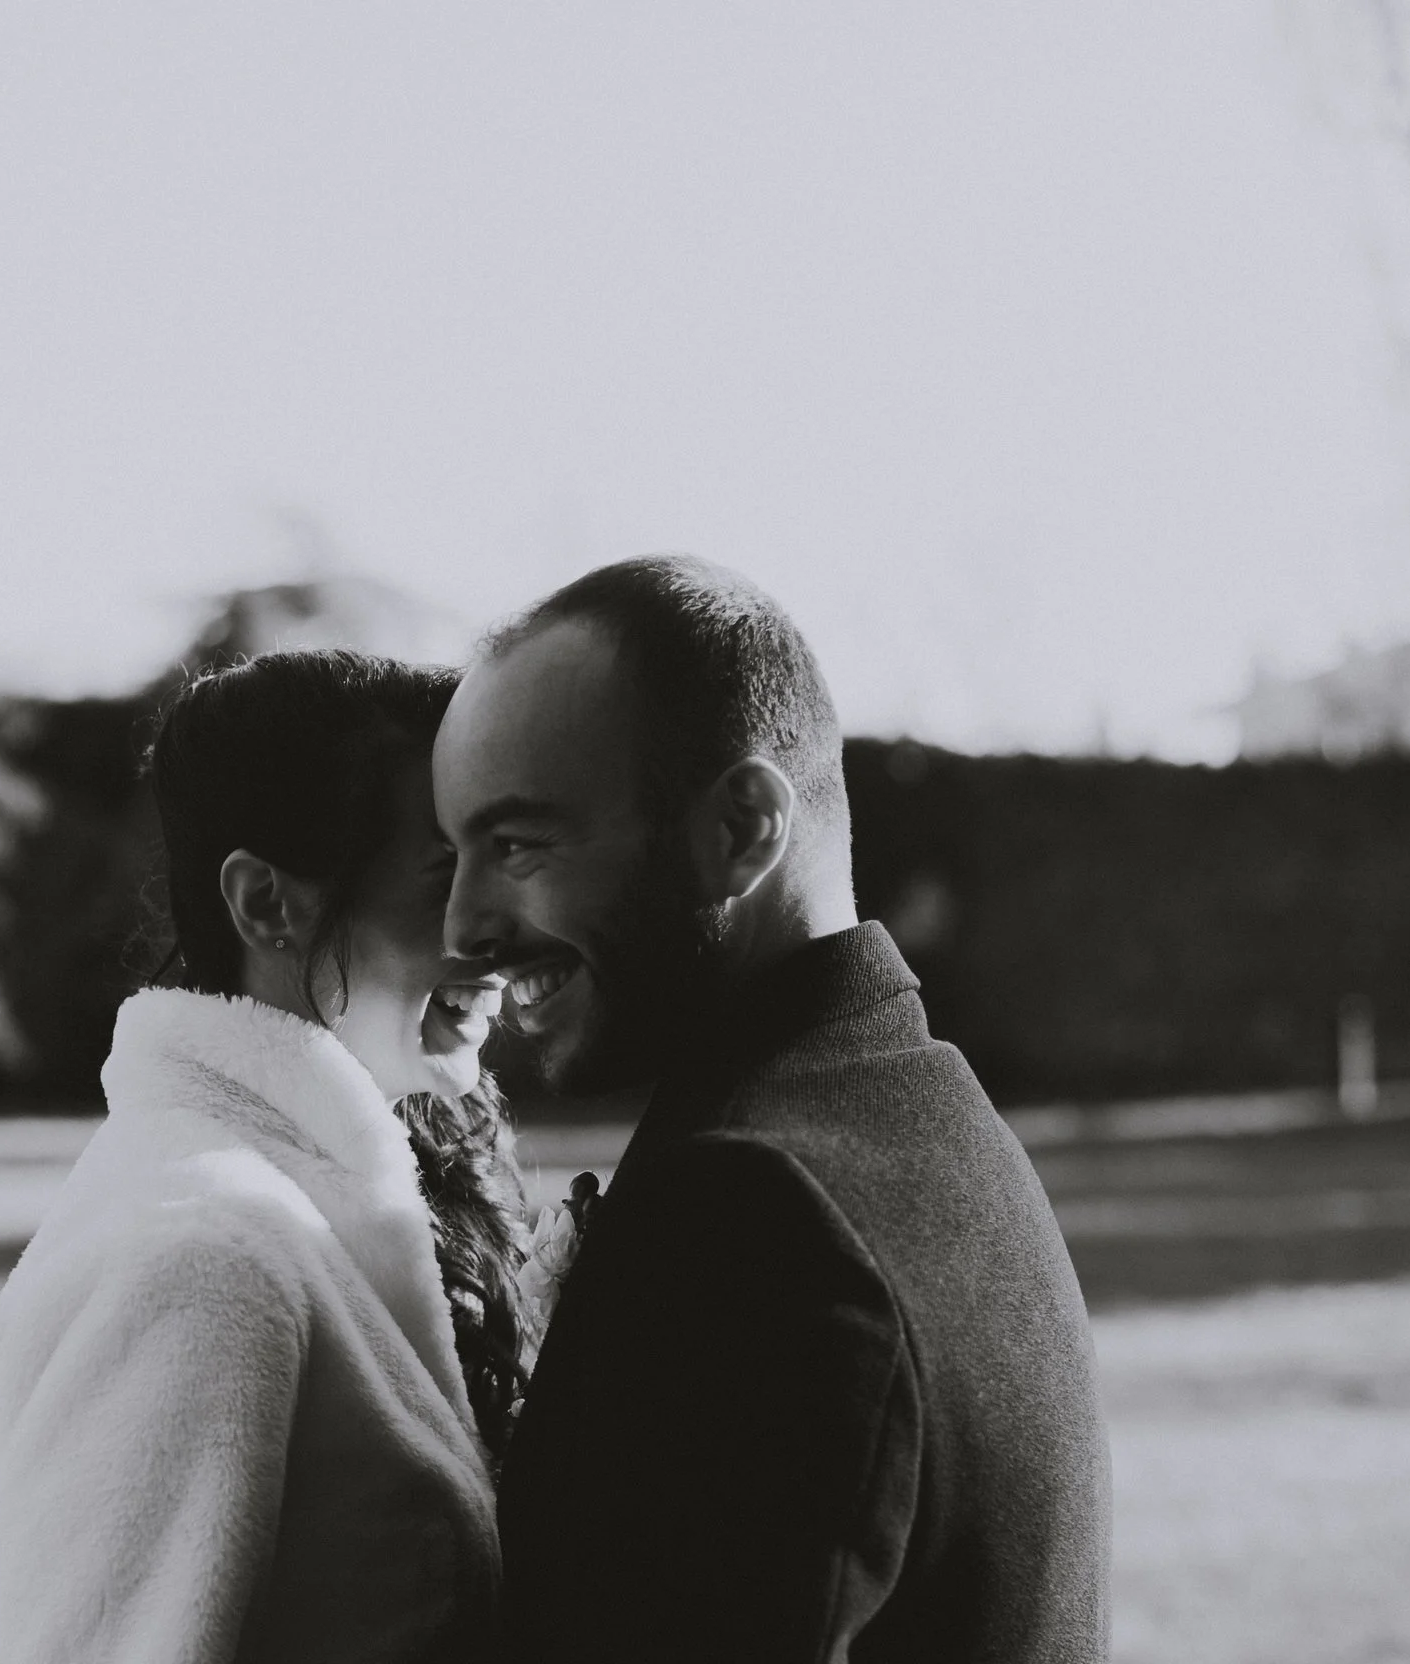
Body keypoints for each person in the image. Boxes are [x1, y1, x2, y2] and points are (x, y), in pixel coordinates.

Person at [435, 556, 1112, 1663]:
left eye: (518, 845)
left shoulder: (747, 1213)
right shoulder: (931, 1120)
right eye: (453, 852)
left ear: (742, 827)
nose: (464, 925)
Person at [0, 650, 532, 1664]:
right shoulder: (200, 1264)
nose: (499, 926)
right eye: (445, 870)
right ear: (267, 902)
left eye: (507, 858)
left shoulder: (326, 1213)